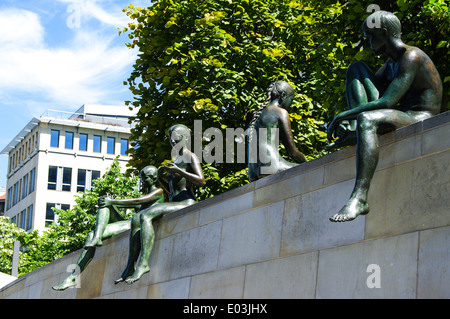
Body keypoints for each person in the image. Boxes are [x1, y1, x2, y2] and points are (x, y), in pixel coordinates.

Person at [327, 10, 442, 222]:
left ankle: (360, 197)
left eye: (370, 35)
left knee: (366, 119)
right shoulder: (390, 64)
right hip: (401, 114)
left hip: (420, 116)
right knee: (357, 69)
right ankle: (354, 130)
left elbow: (387, 102)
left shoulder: (411, 56)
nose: (367, 41)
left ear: (384, 33)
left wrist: (341, 116)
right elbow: (374, 92)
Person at [115, 124, 205, 284]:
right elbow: (169, 190)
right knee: (136, 219)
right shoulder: (175, 160)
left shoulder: (190, 156)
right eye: (170, 139)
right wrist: (161, 178)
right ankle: (130, 265)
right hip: (172, 202)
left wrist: (180, 171)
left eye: (175, 138)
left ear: (184, 138)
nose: (172, 141)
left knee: (146, 215)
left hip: (186, 202)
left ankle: (143, 264)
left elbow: (201, 181)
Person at [52, 166, 164, 291]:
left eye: (146, 178)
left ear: (154, 178)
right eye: (141, 178)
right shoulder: (147, 193)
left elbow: (138, 200)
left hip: (133, 224)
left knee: (108, 202)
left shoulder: (159, 192)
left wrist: (113, 201)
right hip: (129, 222)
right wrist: (109, 201)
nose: (143, 181)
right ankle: (73, 276)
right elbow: (135, 202)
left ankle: (97, 237)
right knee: (93, 229)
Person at [248, 81, 307, 182]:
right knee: (309, 171)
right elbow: (292, 152)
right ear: (283, 96)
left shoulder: (257, 116)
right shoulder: (280, 112)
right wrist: (308, 163)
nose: (291, 105)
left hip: (253, 172)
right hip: (272, 165)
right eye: (291, 99)